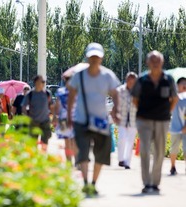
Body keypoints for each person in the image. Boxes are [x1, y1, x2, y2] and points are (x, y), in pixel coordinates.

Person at [67, 43, 120, 196]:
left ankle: (94, 182)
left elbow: (115, 94)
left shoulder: (107, 75)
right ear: (88, 58)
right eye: (92, 57)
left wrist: (115, 110)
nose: (94, 59)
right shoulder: (79, 75)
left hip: (101, 121)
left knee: (102, 153)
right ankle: (85, 182)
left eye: (97, 57)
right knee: (82, 152)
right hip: (82, 120)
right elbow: (71, 95)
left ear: (101, 58)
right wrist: (70, 116)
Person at [131, 50, 178, 194]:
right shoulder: (142, 80)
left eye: (158, 60)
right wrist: (145, 111)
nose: (155, 63)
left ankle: (155, 183)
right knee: (144, 151)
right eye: (153, 60)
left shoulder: (168, 79)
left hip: (162, 120)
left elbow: (174, 99)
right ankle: (146, 183)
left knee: (159, 152)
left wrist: (166, 112)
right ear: (148, 63)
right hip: (144, 120)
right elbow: (135, 99)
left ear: (162, 62)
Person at [22, 75, 53, 151]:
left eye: (44, 82)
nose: (43, 83)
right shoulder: (30, 94)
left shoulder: (47, 93)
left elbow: (51, 106)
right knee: (33, 142)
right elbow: (23, 106)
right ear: (36, 82)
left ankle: (42, 157)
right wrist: (27, 117)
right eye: (42, 81)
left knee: (45, 142)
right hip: (34, 122)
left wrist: (54, 116)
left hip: (45, 121)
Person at [53, 74, 78, 165]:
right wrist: (55, 117)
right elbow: (57, 105)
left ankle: (76, 161)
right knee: (67, 140)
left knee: (74, 141)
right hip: (63, 119)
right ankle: (69, 161)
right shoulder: (61, 91)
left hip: (76, 119)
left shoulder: (77, 91)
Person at [116, 72, 138, 169]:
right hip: (122, 119)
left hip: (134, 120)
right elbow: (115, 104)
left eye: (133, 81)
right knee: (122, 138)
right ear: (126, 80)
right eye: (129, 80)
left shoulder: (138, 91)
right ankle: (121, 159)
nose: (131, 83)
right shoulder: (120, 90)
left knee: (130, 141)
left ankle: (127, 162)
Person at [169, 77, 186, 175]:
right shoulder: (173, 98)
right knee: (174, 148)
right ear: (177, 86)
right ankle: (172, 167)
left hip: (185, 129)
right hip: (175, 128)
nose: (184, 85)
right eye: (182, 83)